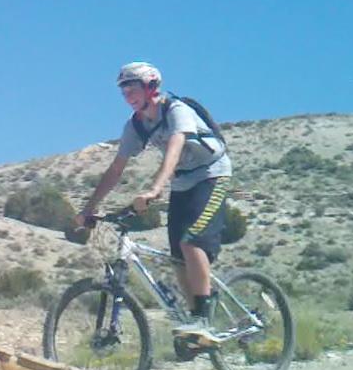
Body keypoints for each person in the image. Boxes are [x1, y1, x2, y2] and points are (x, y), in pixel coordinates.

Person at [73, 61, 233, 346]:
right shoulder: (135, 125)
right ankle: (193, 320)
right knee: (177, 257)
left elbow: (175, 148)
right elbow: (116, 169)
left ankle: (204, 320)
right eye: (124, 93)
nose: (128, 98)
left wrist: (155, 188)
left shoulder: (177, 111)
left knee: (191, 242)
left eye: (132, 90)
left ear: (150, 87)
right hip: (184, 183)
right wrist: (89, 208)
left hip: (212, 175)